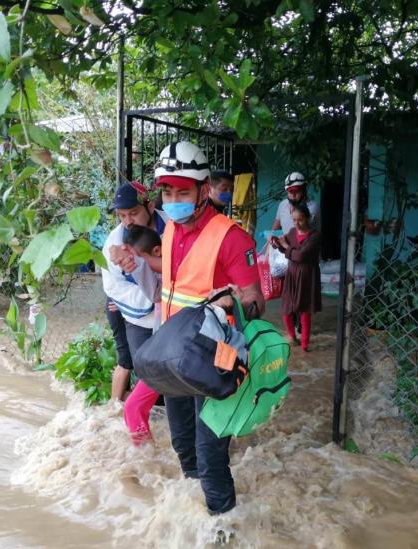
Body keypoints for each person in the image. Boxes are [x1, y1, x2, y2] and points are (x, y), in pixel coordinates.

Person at [113, 141, 264, 515]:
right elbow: (177, 278)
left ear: (204, 189)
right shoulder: (171, 231)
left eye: (182, 190)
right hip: (174, 358)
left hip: (215, 361)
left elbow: (256, 301)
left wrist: (232, 300)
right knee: (182, 443)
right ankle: (190, 519)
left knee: (211, 454)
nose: (174, 198)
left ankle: (223, 526)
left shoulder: (232, 237)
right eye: (167, 191)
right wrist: (141, 263)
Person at [102, 182, 165, 401]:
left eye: (134, 213)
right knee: (145, 370)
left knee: (174, 370)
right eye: (122, 216)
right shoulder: (114, 243)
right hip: (138, 316)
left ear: (149, 206)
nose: (128, 221)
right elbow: (113, 286)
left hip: (172, 311)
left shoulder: (172, 226)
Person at [120, 225, 164, 445]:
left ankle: (145, 455)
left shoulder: (172, 275)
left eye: (136, 259)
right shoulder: (164, 272)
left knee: (133, 407)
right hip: (165, 352)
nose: (132, 265)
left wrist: (136, 266)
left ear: (157, 252)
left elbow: (155, 294)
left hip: (169, 354)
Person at [272, 203, 322, 352]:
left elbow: (300, 255)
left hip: (307, 276)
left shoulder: (315, 236)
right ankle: (292, 337)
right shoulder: (293, 232)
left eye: (300, 220)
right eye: (294, 220)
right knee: (287, 309)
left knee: (305, 312)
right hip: (292, 274)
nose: (296, 223)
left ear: (308, 218)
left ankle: (305, 345)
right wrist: (276, 243)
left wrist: (285, 246)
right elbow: (285, 249)